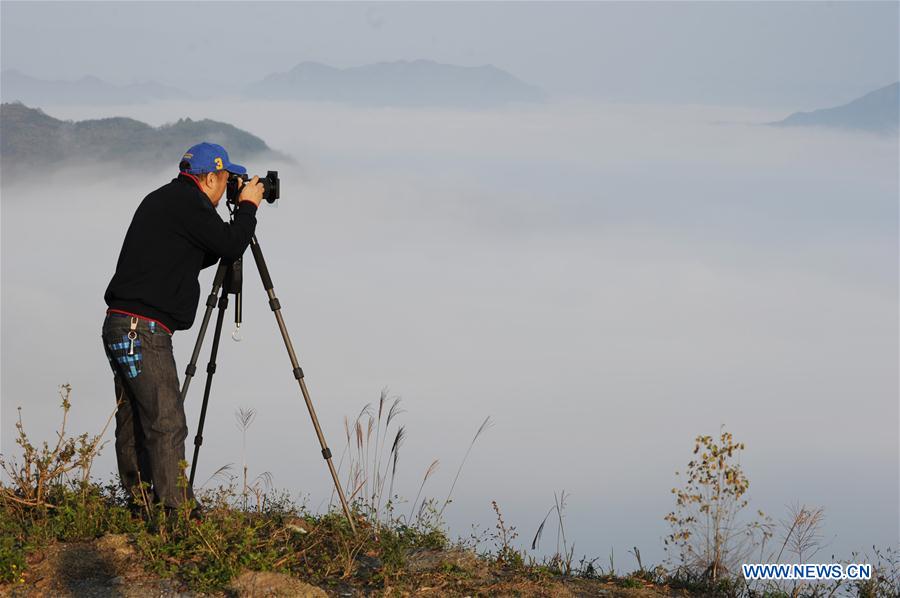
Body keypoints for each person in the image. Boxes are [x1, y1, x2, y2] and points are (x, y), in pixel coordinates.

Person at [102, 142, 264, 516]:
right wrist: (250, 208)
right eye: (226, 180)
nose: (230, 187)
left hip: (120, 325)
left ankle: (141, 506)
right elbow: (228, 243)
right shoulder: (190, 204)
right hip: (141, 330)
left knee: (134, 421)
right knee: (166, 422)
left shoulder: (165, 200)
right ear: (210, 178)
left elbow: (202, 249)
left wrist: (234, 224)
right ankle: (178, 515)